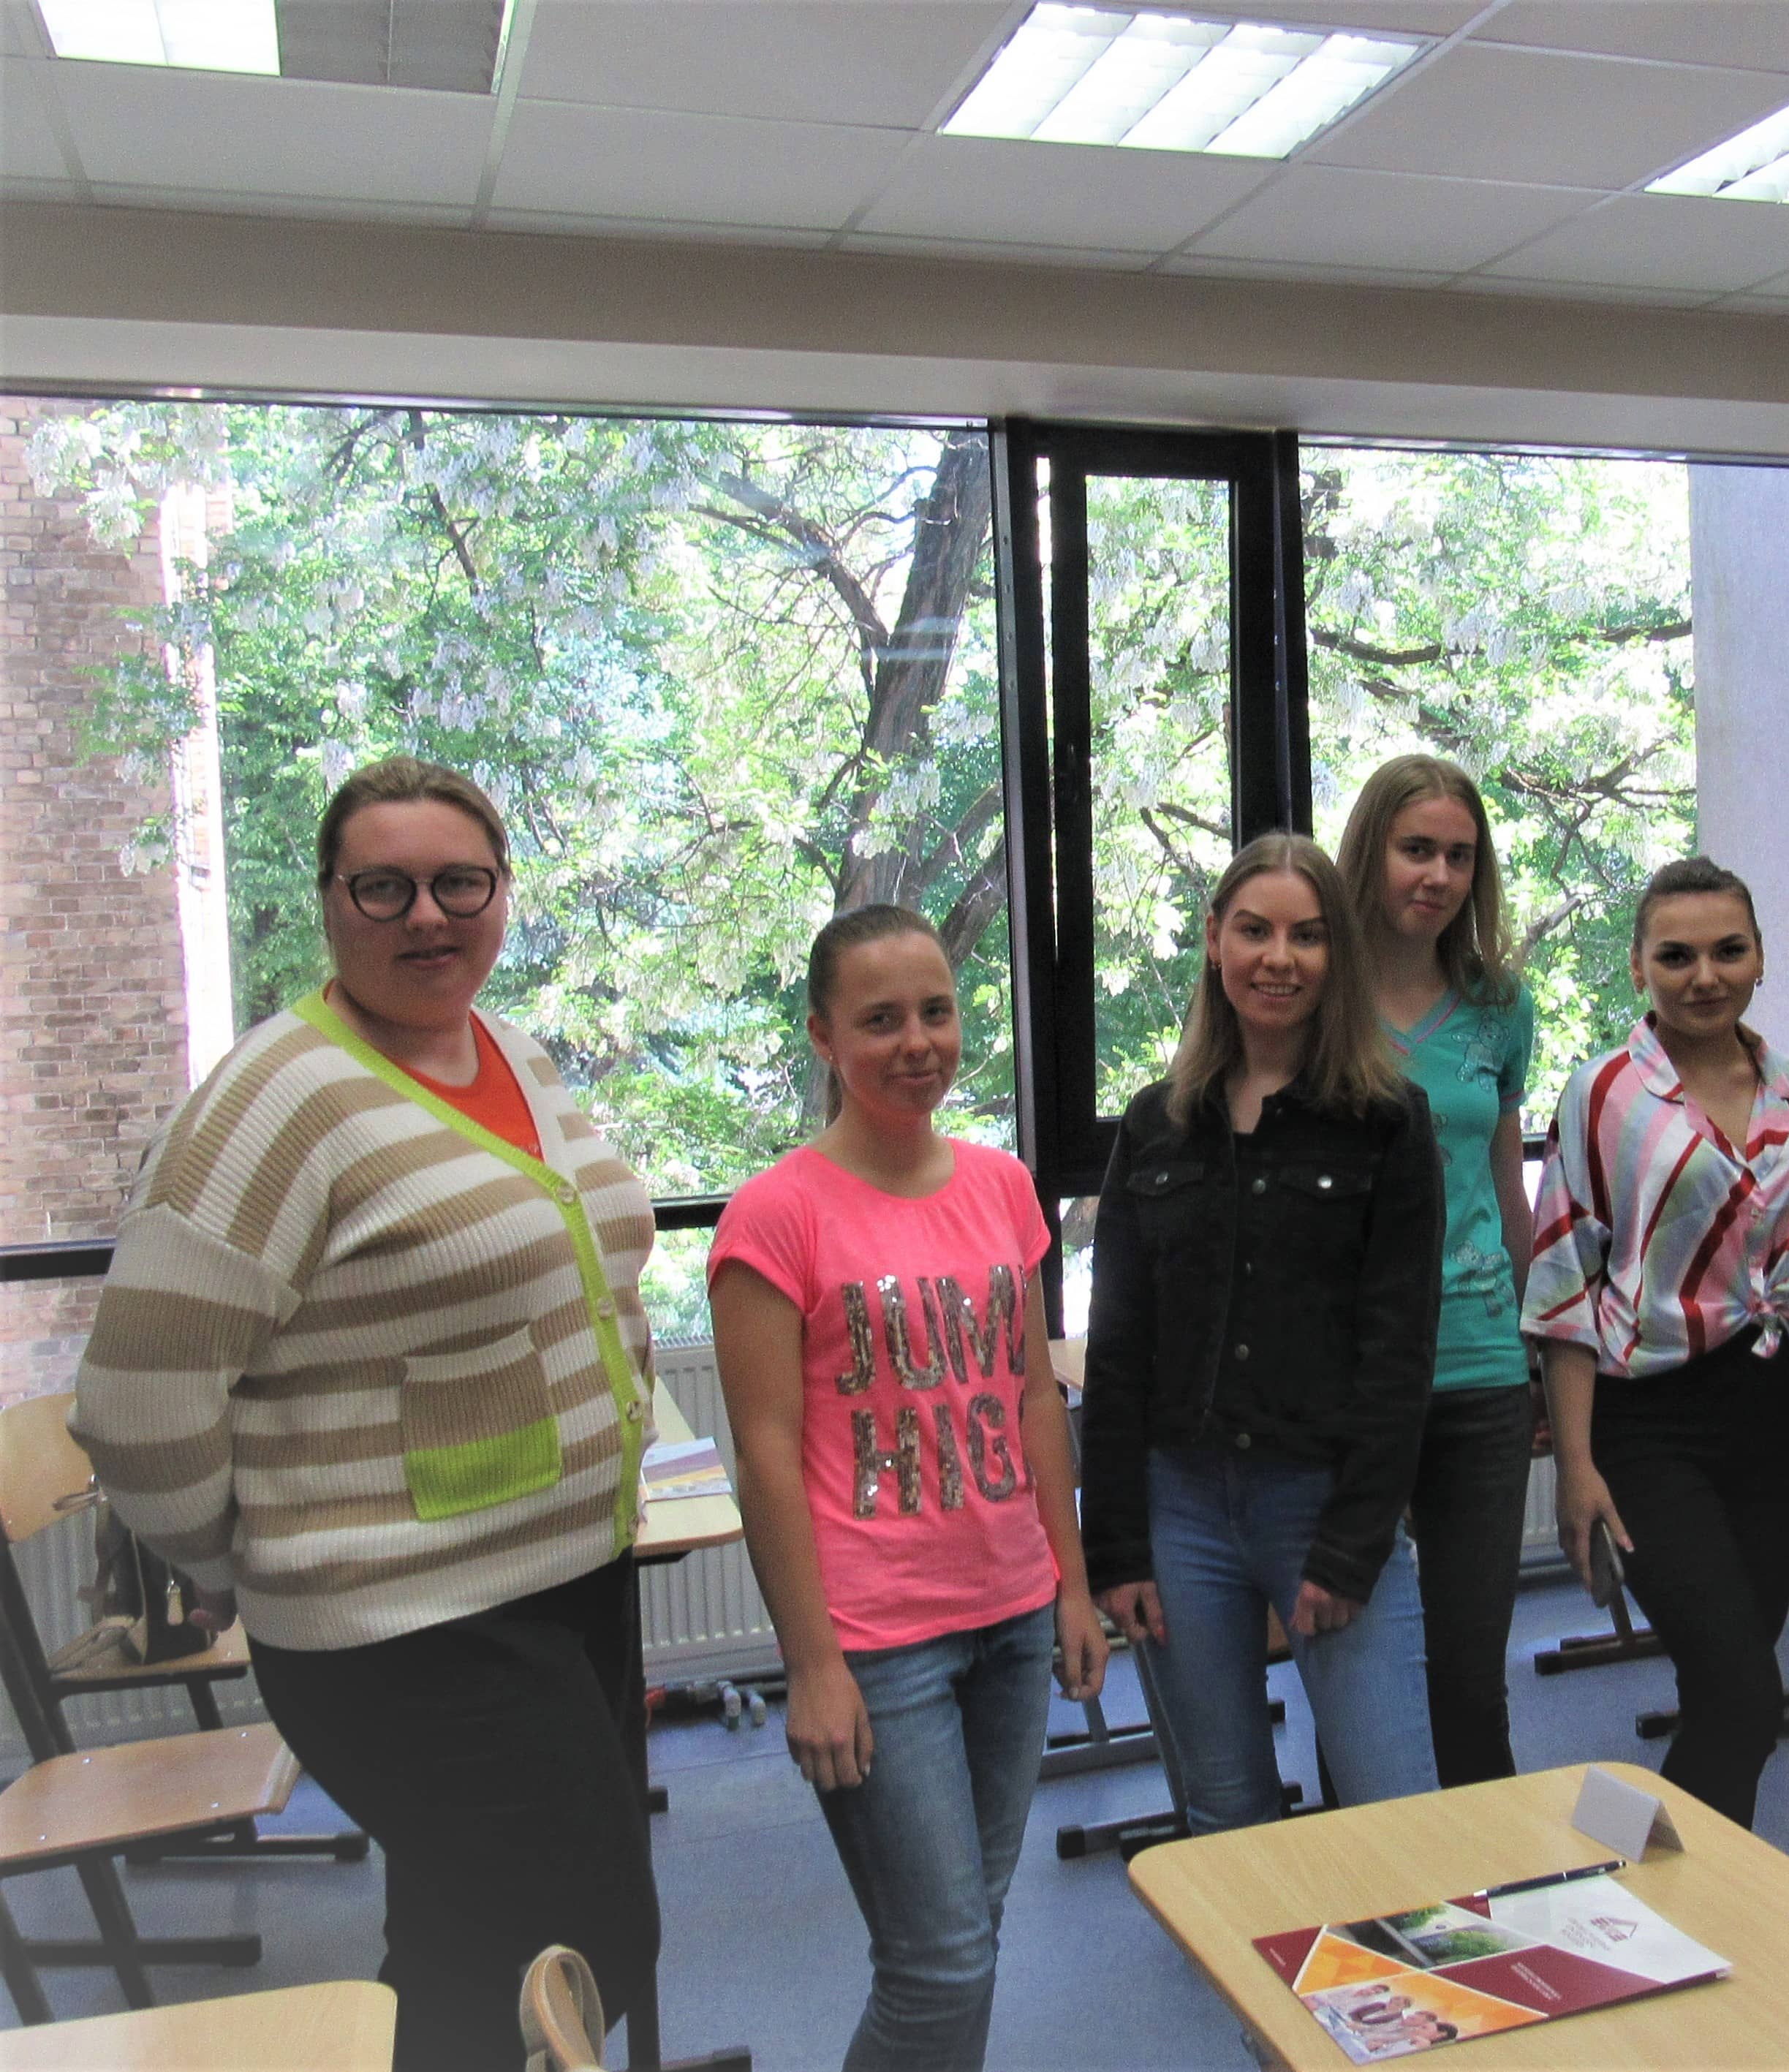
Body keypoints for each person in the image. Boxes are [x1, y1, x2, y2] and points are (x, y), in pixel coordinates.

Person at [71, 757, 660, 2071]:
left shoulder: (509, 1049)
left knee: (466, 1944)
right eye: (385, 888)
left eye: (460, 883)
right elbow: (136, 1400)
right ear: (331, 901)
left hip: (564, 1578)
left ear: (503, 893)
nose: (428, 916)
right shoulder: (274, 1101)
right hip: (405, 1623)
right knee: (585, 1934)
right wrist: (237, 1557)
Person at [708, 904, 1107, 2071]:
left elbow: (1032, 1397)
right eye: (880, 1020)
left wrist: (1071, 1586)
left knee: (967, 1937)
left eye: (935, 1011)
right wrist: (812, 1664)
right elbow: (765, 1457)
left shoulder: (1002, 1186)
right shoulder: (775, 1214)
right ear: (824, 1035)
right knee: (940, 1962)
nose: (917, 1041)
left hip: (1013, 1615)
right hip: (878, 1641)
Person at [1080, 831, 1445, 1832]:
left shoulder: (1387, 1121)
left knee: (1398, 1819)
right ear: (1214, 941)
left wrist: (1354, 1543)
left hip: (1324, 1502)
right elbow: (1117, 1348)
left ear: (1338, 955)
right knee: (1226, 1817)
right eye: (1254, 931)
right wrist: (1114, 1546)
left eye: (1307, 936)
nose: (1278, 958)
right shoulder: (1155, 1123)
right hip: (1179, 1511)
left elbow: (1400, 1350)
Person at [1524, 855, 1789, 1828]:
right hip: (1649, 1423)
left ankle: (1689, 1897)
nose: (1705, 976)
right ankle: (1622, 1866)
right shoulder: (1604, 1093)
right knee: (1745, 1696)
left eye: (1728, 951)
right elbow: (1566, 1284)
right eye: (1677, 956)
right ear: (1637, 966)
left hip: (1774, 1419)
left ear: (1760, 957)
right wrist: (1576, 1466)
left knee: (1726, 1694)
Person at [1338, 755, 1538, 1787]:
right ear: (1370, 851)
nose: (1440, 876)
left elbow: (1506, 1185)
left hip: (1480, 1369)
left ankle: (1495, 1880)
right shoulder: (1316, 997)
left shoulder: (1499, 1004)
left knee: (1469, 1677)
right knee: (1360, 1682)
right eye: (1417, 849)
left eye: (1460, 856)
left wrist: (1537, 1344)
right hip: (1352, 1379)